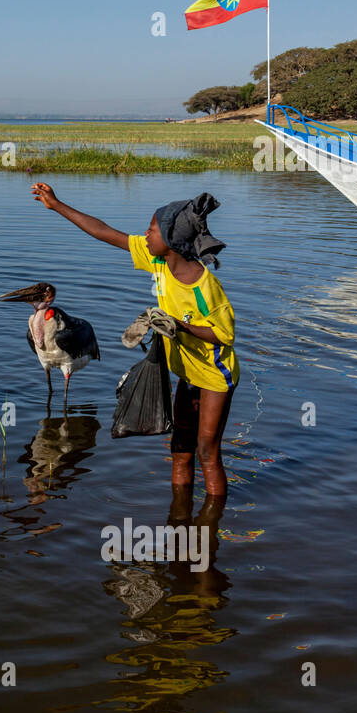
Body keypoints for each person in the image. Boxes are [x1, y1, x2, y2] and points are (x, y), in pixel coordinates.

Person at [31, 183, 239, 499]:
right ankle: (179, 522)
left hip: (214, 375)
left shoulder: (203, 287)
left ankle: (211, 528)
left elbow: (224, 335)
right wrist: (56, 205)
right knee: (180, 447)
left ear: (170, 240)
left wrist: (179, 326)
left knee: (207, 450)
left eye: (152, 229)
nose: (145, 234)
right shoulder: (158, 260)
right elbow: (103, 231)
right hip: (187, 371)